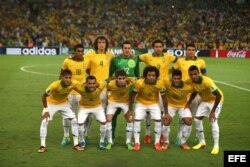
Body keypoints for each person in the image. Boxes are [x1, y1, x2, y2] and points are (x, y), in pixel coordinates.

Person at [139, 39, 177, 144]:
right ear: (153, 47)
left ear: (163, 47)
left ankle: (159, 134)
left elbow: (179, 62)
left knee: (161, 112)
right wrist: (141, 75)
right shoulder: (147, 56)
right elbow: (135, 59)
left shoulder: (168, 56)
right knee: (147, 112)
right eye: (156, 46)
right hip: (149, 87)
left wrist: (171, 71)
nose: (158, 48)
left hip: (162, 88)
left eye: (160, 46)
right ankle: (147, 133)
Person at [38, 69, 83, 153]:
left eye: (70, 77)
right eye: (66, 77)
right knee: (44, 121)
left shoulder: (74, 83)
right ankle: (42, 145)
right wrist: (47, 110)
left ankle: (76, 144)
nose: (68, 80)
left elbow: (82, 89)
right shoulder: (54, 85)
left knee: (74, 120)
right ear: (62, 77)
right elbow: (43, 96)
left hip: (64, 103)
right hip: (51, 103)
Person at [172, 43, 207, 145]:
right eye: (189, 50)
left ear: (195, 51)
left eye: (192, 50)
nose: (191, 51)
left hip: (197, 92)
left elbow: (205, 75)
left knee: (198, 114)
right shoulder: (180, 61)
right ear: (185, 51)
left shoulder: (201, 62)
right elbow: (173, 73)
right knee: (183, 116)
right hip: (183, 92)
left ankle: (198, 135)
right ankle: (179, 135)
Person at [186, 65, 224, 155]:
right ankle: (202, 142)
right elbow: (194, 91)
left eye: (195, 74)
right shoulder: (191, 81)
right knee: (197, 120)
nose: (193, 76)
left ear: (199, 73)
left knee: (213, 120)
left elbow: (218, 95)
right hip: (205, 100)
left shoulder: (207, 81)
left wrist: (213, 111)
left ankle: (216, 146)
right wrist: (188, 103)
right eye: (191, 74)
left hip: (216, 100)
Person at [84, 36, 115, 142]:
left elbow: (115, 66)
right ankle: (86, 134)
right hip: (92, 89)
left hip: (105, 90)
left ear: (106, 44)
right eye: (99, 42)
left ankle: (104, 136)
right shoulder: (90, 54)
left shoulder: (110, 55)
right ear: (96, 44)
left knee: (105, 114)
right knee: (88, 114)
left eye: (103, 42)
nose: (101, 44)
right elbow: (86, 68)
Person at [128, 66, 166, 151]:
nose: (151, 77)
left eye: (153, 75)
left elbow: (164, 98)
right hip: (141, 103)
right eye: (149, 75)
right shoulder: (139, 83)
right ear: (145, 75)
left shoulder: (160, 83)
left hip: (154, 103)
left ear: (156, 76)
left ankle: (157, 142)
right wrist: (130, 110)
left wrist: (166, 112)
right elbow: (132, 96)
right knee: (137, 120)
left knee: (158, 120)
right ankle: (137, 142)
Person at [109, 40, 140, 141]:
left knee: (129, 116)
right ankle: (112, 137)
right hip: (117, 92)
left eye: (129, 48)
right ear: (122, 49)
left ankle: (129, 139)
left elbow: (137, 76)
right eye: (125, 48)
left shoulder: (135, 60)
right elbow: (110, 75)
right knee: (113, 115)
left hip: (130, 92)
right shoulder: (115, 60)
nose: (127, 50)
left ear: (131, 49)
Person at [60, 44, 89, 146]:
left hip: (81, 93)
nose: (80, 53)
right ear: (74, 52)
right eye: (78, 51)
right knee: (66, 115)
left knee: (83, 115)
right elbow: (61, 75)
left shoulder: (86, 61)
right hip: (68, 93)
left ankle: (84, 136)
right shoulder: (67, 61)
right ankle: (66, 136)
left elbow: (90, 72)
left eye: (82, 51)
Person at [162, 69, 193, 150]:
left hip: (182, 106)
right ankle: (166, 142)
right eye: (175, 78)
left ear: (181, 78)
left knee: (188, 121)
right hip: (170, 106)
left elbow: (194, 91)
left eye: (178, 79)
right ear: (171, 78)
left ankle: (183, 142)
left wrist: (189, 102)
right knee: (166, 121)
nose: (176, 80)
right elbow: (157, 81)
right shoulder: (167, 83)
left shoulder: (187, 86)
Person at [105, 69, 135, 150]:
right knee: (108, 119)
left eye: (123, 78)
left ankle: (128, 141)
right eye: (119, 79)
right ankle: (110, 141)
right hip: (113, 102)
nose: (122, 81)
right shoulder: (111, 84)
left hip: (125, 102)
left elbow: (141, 79)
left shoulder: (130, 82)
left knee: (130, 119)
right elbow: (103, 84)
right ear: (116, 78)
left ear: (126, 78)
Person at [77, 75, 107, 150]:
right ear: (86, 84)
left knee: (103, 122)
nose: (92, 85)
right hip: (84, 107)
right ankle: (81, 140)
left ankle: (102, 141)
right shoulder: (80, 89)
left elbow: (106, 81)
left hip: (97, 107)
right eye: (89, 84)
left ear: (96, 83)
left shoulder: (100, 87)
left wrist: (114, 77)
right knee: (80, 123)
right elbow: (72, 84)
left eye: (93, 83)